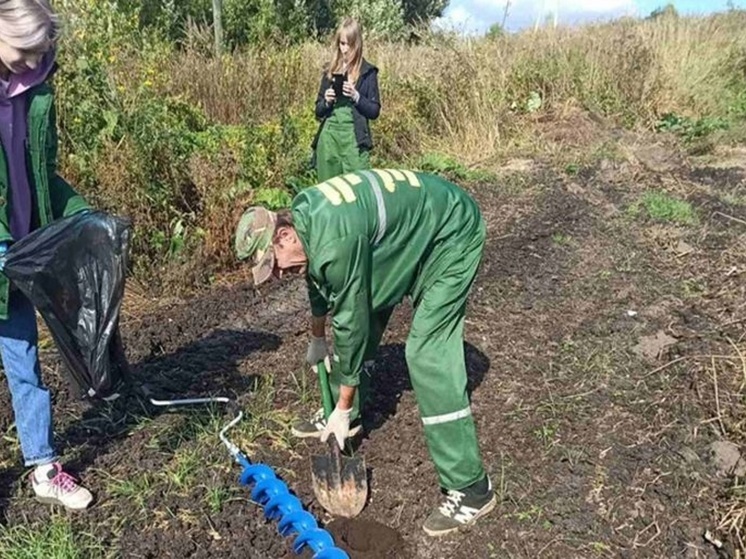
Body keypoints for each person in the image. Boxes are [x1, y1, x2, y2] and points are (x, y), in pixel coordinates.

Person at [234, 169, 495, 536]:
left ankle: (471, 488)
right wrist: (317, 338)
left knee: (426, 353)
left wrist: (339, 406)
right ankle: (349, 415)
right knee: (363, 313)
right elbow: (317, 281)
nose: (277, 275)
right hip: (411, 235)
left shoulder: (334, 241)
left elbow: (351, 320)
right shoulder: (306, 214)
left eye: (273, 264)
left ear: (284, 234)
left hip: (449, 235)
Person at [0, 0, 93, 510]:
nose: (31, 64)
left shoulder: (34, 94)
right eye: (24, 51)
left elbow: (44, 175)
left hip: (17, 256)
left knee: (24, 361)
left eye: (40, 55)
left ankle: (42, 466)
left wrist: (82, 213)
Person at [311, 17, 380, 182]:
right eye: (342, 44)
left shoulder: (368, 72)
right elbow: (318, 111)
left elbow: (374, 111)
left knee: (358, 191)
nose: (345, 50)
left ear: (358, 44)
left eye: (350, 44)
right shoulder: (330, 71)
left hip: (354, 141)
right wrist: (326, 101)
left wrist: (356, 96)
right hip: (329, 140)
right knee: (329, 193)